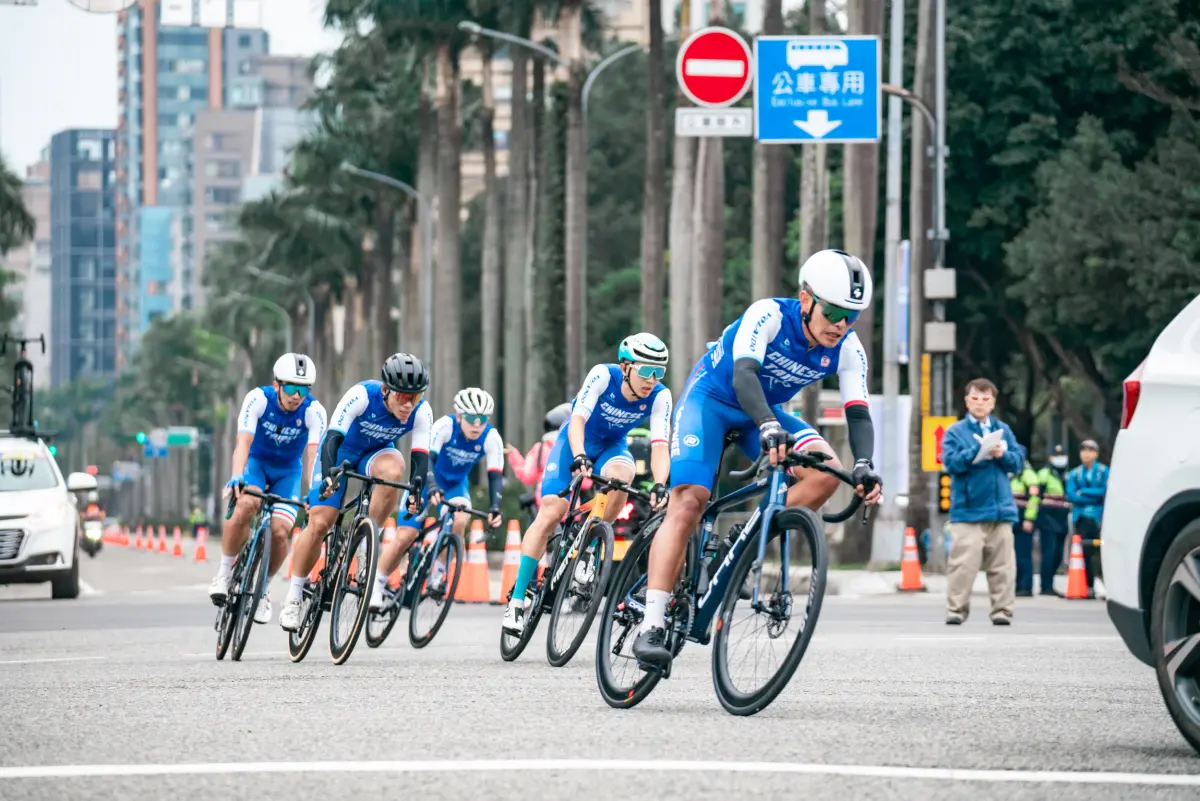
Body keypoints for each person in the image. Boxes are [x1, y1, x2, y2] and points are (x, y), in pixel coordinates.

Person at [631, 250, 883, 670]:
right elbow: (743, 374)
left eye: (851, 316)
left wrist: (864, 464)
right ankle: (652, 624)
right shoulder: (768, 315)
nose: (841, 325)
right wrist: (767, 424)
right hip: (712, 401)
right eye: (835, 312)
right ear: (806, 299)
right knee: (690, 501)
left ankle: (746, 539)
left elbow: (858, 412)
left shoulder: (848, 349)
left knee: (825, 472)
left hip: (762, 412)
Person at [502, 333, 673, 635]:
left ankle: (590, 549)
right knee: (552, 511)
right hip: (574, 443)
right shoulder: (603, 376)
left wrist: (661, 484)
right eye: (646, 370)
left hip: (611, 447)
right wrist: (580, 455)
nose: (652, 379)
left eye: (659, 372)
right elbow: (577, 421)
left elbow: (660, 445)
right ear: (625, 366)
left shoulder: (660, 396)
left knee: (623, 478)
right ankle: (517, 600)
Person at [279, 354, 432, 632]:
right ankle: (294, 595)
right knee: (321, 522)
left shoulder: (421, 412)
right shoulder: (361, 395)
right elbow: (333, 437)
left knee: (395, 470)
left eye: (415, 397)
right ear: (385, 390)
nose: (409, 404)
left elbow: (420, 457)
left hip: (376, 453)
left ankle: (365, 544)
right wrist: (329, 475)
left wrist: (415, 493)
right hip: (341, 451)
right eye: (402, 396)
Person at [209, 353, 326, 625]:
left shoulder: (314, 411)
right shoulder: (258, 399)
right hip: (256, 464)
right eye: (291, 388)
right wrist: (237, 475)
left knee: (281, 531)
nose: (297, 396)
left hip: (288, 472)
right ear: (277, 385)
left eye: (304, 390)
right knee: (246, 505)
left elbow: (314, 455)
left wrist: (314, 490)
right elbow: (243, 443)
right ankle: (224, 573)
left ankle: (263, 589)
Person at [370, 387, 505, 610]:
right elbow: (427, 460)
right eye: (471, 418)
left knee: (460, 520)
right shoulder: (445, 426)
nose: (477, 425)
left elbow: (495, 476)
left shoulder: (491, 437)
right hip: (426, 480)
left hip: (455, 486)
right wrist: (431, 486)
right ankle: (378, 584)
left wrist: (495, 507)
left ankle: (437, 575)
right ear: (459, 416)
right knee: (405, 536)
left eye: (483, 420)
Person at [940, 378, 1026, 626]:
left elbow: (1017, 462)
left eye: (985, 398)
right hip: (968, 511)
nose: (980, 403)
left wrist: (1001, 453)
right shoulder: (955, 432)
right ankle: (956, 609)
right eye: (975, 398)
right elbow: (951, 463)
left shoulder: (1003, 429)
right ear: (967, 402)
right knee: (962, 566)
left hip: (1001, 510)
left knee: (1003, 567)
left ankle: (1002, 611)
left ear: (993, 403)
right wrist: (977, 452)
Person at [505, 403, 571, 507]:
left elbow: (528, 476)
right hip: (570, 504)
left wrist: (514, 455)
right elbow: (586, 483)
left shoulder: (540, 449)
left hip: (545, 502)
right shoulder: (572, 448)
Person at [1067, 439, 1108, 598]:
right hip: (1081, 517)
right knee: (1084, 551)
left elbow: (1105, 492)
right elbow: (1071, 495)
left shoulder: (1103, 471)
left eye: (1090, 450)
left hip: (1099, 518)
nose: (1086, 454)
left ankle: (1103, 583)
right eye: (1083, 450)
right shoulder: (1075, 473)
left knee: (1101, 550)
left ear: (1096, 454)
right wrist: (1093, 497)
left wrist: (1084, 491)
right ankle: (1088, 585)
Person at [1033, 444, 1071, 596]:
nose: (1059, 459)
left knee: (1058, 554)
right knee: (1048, 553)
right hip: (1047, 518)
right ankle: (1046, 586)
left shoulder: (1068, 475)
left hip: (1062, 518)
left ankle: (1051, 582)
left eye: (1062, 455)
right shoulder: (1043, 474)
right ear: (1050, 458)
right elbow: (1036, 497)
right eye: (1056, 456)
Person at [1009, 458, 1042, 596]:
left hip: (1023, 521)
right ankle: (1017, 586)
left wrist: (1029, 518)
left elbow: (1034, 499)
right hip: (1012, 520)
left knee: (1023, 555)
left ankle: (1025, 586)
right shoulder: (1011, 475)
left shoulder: (1028, 475)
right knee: (1013, 556)